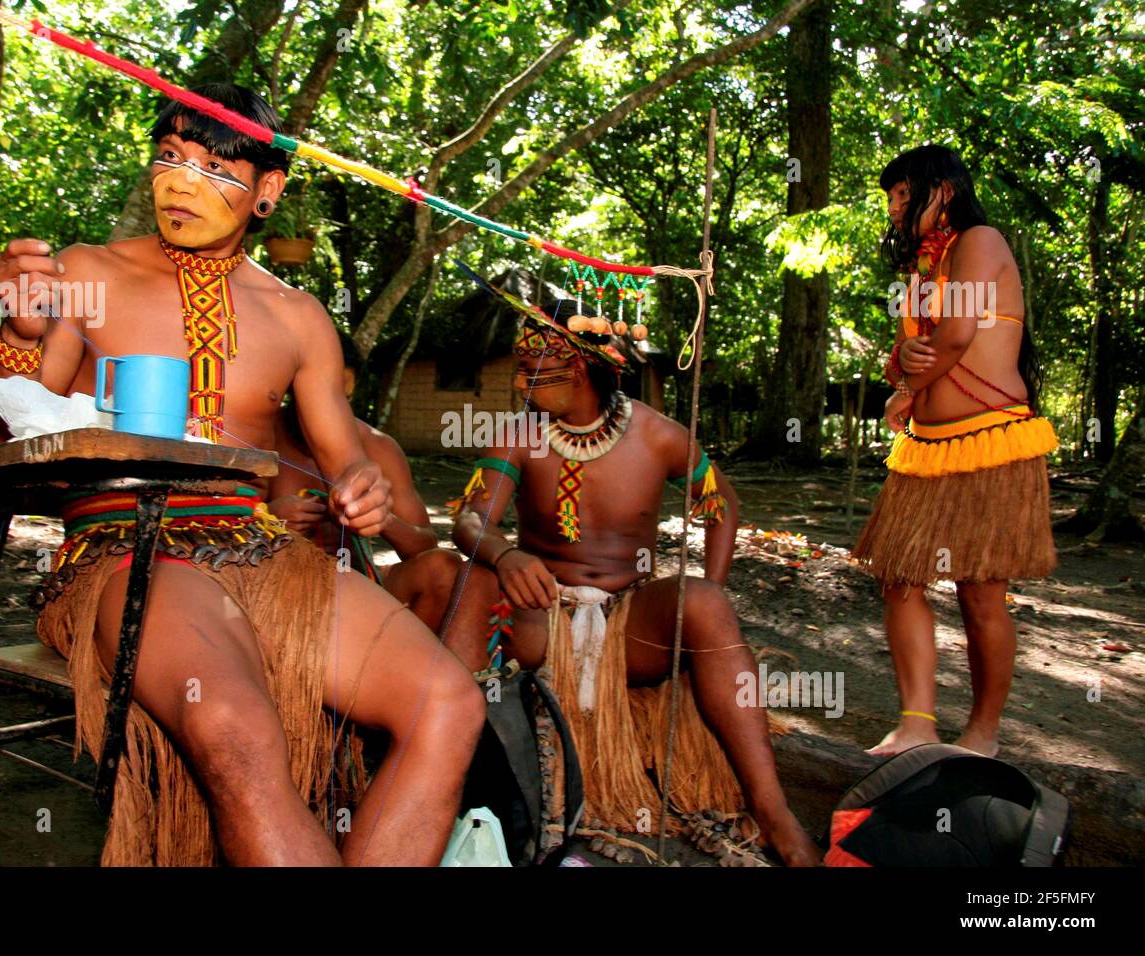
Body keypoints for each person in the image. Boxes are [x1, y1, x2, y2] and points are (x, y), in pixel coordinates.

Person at [0, 83, 484, 865]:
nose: (183, 181)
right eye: (171, 157)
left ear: (268, 191)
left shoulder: (298, 316)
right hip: (124, 549)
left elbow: (346, 455)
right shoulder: (86, 273)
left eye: (216, 166)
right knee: (235, 728)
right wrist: (17, 333)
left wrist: (365, 488)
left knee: (447, 704)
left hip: (261, 551)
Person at [447, 272, 820, 866]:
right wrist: (505, 553)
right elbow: (470, 521)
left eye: (533, 372)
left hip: (631, 632)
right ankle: (463, 789)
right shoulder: (517, 434)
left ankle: (772, 810)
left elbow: (722, 507)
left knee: (704, 605)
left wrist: (708, 594)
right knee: (460, 581)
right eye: (520, 371)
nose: (520, 384)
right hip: (541, 622)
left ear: (582, 367)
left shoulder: (659, 436)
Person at [854, 144, 1057, 758]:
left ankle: (983, 734)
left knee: (980, 590)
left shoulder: (982, 240)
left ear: (941, 190)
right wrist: (904, 373)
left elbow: (960, 333)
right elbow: (911, 352)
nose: (893, 209)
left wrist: (913, 380)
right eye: (889, 198)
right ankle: (916, 721)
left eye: (901, 194)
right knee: (900, 579)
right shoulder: (920, 271)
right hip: (928, 449)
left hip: (993, 443)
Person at [269, 329, 479, 639]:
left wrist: (381, 519)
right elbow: (211, 529)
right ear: (291, 387)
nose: (330, 411)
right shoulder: (261, 434)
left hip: (356, 588)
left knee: (443, 569)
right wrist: (268, 518)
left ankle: (403, 675)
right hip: (277, 595)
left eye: (343, 399)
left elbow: (424, 545)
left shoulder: (378, 447)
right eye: (318, 397)